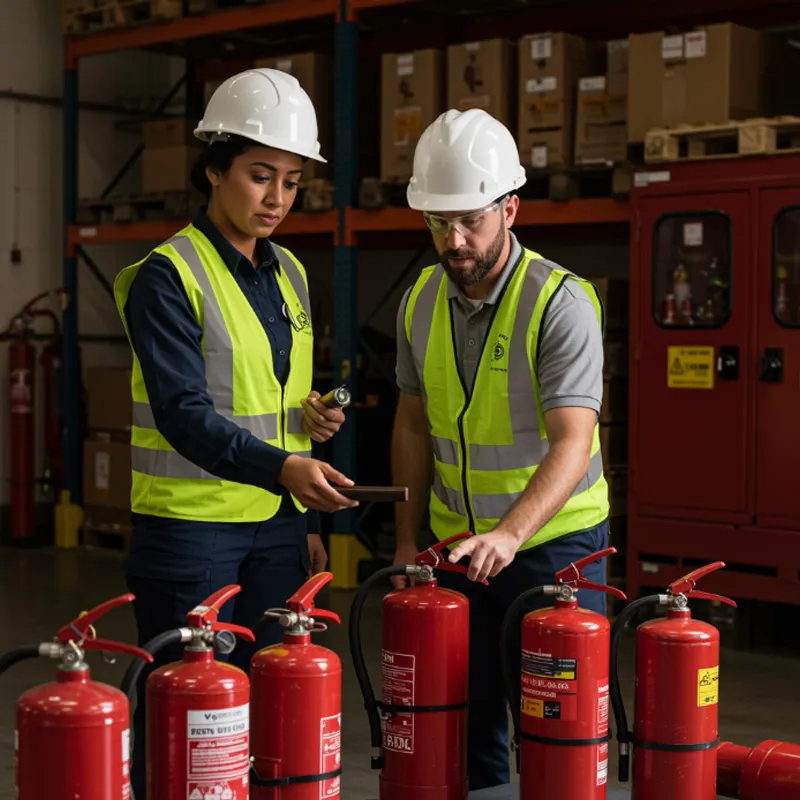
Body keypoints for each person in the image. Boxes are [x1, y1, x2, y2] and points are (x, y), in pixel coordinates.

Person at [112, 68, 356, 799]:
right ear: (214, 171)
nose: (277, 197)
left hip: (277, 529)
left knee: (261, 709)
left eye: (291, 180)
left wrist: (309, 443)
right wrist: (284, 468)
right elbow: (183, 412)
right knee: (185, 715)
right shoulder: (167, 276)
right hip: (190, 533)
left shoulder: (290, 276)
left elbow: (270, 399)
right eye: (259, 175)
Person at [390, 108, 611, 791]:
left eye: (471, 221)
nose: (453, 241)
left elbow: (573, 442)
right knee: (464, 716)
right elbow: (410, 424)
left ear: (510, 209)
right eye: (437, 221)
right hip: (457, 546)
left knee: (556, 727)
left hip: (552, 549)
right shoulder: (421, 297)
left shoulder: (559, 303)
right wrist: (405, 539)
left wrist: (511, 534)